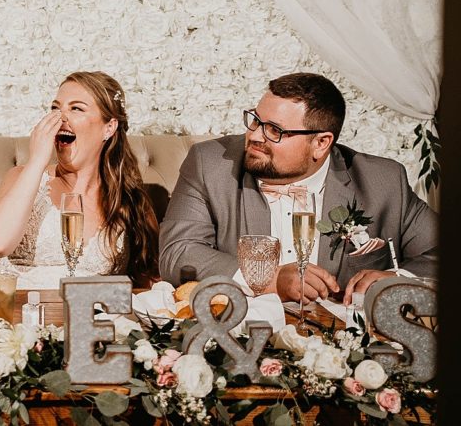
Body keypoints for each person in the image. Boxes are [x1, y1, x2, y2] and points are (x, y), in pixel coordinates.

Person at [160, 73, 437, 304]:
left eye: (274, 130)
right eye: (255, 120)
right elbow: (178, 252)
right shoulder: (211, 163)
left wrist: (399, 278)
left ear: (321, 143)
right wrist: (269, 279)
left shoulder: (382, 181)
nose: (255, 136)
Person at [0, 71, 159, 289]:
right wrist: (37, 161)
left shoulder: (130, 201)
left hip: (90, 318)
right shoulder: (22, 177)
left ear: (109, 127)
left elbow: (150, 283)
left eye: (76, 108)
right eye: (55, 108)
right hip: (22, 317)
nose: (60, 118)